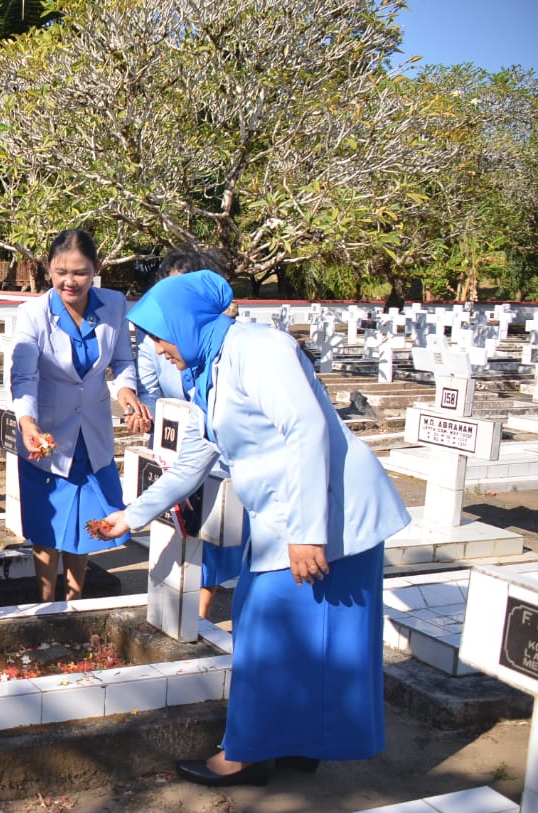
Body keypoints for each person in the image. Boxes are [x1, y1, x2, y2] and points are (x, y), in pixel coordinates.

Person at [97, 270, 410, 786]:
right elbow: (195, 458)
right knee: (288, 634)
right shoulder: (209, 371)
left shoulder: (259, 349)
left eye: (160, 335)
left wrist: (307, 532)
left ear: (187, 321)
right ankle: (296, 743)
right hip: (291, 515)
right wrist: (131, 516)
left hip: (330, 515)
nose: (157, 349)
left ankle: (246, 754)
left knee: (271, 631)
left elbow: (306, 428)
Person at [9, 229, 148, 602]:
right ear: (48, 269)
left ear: (96, 269)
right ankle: (45, 603)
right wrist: (27, 422)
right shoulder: (33, 314)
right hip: (47, 435)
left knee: (87, 523)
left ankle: (74, 602)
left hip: (92, 433)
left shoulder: (114, 304)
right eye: (61, 272)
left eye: (80, 272)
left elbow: (123, 360)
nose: (69, 281)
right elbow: (24, 376)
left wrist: (126, 390)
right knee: (47, 526)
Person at [135, 247, 243, 620]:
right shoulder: (170, 352)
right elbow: (151, 390)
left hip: (230, 462)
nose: (159, 345)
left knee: (213, 535)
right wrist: (130, 517)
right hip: (175, 441)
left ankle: (199, 615)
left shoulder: (245, 351)